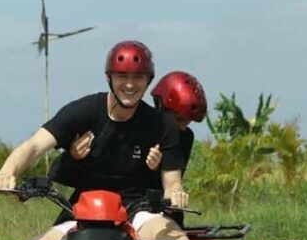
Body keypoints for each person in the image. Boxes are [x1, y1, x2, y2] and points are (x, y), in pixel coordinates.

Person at [0, 40, 190, 240]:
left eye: (138, 77)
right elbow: (34, 146)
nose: (130, 84)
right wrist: (7, 172)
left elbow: (172, 182)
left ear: (148, 81)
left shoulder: (161, 125)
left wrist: (175, 194)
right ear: (108, 78)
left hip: (139, 210)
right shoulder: (83, 110)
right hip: (83, 210)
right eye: (122, 76)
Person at [70, 70, 207, 226]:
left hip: (154, 209)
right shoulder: (143, 125)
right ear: (160, 105)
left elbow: (172, 183)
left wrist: (155, 169)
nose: (181, 127)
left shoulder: (185, 137)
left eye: (187, 122)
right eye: (178, 119)